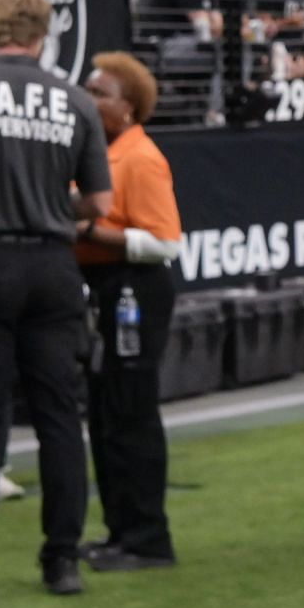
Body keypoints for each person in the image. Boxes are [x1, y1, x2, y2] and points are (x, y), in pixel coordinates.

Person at [0, 0, 110, 603]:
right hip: (53, 266)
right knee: (61, 417)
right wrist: (49, 206)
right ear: (43, 35)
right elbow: (99, 202)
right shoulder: (77, 101)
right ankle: (62, 562)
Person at [76, 53, 182, 572]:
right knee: (106, 411)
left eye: (101, 93)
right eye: (89, 90)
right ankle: (120, 531)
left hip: (134, 291)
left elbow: (165, 243)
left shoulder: (139, 158)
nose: (90, 99)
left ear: (129, 106)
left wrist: (88, 232)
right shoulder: (106, 151)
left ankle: (147, 538)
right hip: (107, 287)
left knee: (131, 411)